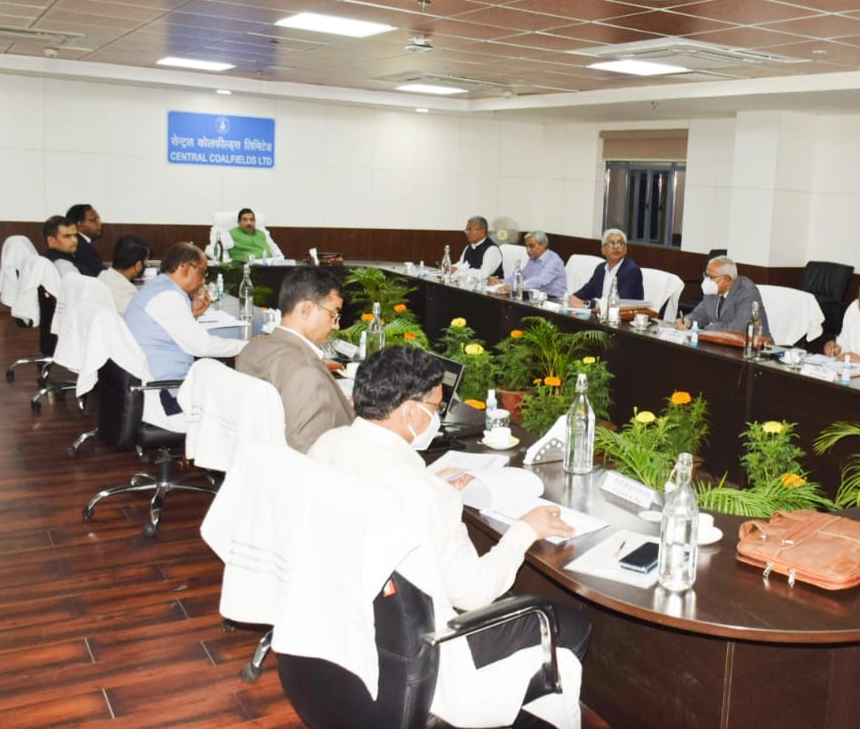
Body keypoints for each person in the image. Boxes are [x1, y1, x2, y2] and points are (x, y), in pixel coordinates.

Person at [307, 346, 589, 726]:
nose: (436, 418)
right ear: (409, 411)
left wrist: (431, 485)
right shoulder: (424, 493)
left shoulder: (328, 444)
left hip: (345, 627)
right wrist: (526, 529)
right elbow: (473, 593)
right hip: (418, 650)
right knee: (568, 623)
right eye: (435, 408)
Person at [124, 242, 247, 423]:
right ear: (185, 268)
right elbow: (202, 346)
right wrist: (250, 345)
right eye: (203, 272)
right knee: (243, 398)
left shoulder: (157, 289)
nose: (204, 280)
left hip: (151, 385)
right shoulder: (168, 298)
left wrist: (192, 316)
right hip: (166, 395)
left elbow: (166, 334)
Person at [237, 266, 354, 453]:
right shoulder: (305, 370)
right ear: (307, 309)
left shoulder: (252, 348)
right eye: (333, 314)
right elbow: (306, 449)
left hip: (254, 461)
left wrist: (333, 404)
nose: (336, 325)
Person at [678, 256, 765, 332]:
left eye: (711, 277)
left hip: (754, 346)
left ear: (727, 279)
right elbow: (699, 315)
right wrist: (687, 321)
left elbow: (739, 328)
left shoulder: (747, 292)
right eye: (706, 275)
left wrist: (711, 328)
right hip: (721, 344)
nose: (707, 281)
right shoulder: (713, 290)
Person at [568, 228, 644, 308]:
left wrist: (587, 304)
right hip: (602, 317)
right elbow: (583, 293)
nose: (616, 247)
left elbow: (619, 304)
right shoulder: (600, 269)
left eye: (620, 243)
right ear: (603, 250)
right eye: (611, 243)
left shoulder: (631, 271)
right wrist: (573, 299)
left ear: (625, 249)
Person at [488, 231, 567, 301]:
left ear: (543, 245)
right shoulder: (533, 258)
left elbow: (541, 280)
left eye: (531, 246)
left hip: (553, 300)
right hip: (533, 296)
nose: (528, 250)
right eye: (527, 246)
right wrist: (502, 281)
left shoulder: (554, 261)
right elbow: (522, 276)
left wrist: (516, 287)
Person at [98, 234, 150, 314]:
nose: (146, 264)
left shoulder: (102, 276)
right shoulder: (128, 294)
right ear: (138, 266)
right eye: (146, 260)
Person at [452, 215, 503, 280]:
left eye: (470, 230)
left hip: (489, 287)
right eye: (467, 230)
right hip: (468, 284)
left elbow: (484, 274)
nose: (467, 233)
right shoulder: (469, 247)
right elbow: (461, 264)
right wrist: (451, 268)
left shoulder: (492, 249)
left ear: (482, 232)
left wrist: (460, 271)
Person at [65, 203, 104, 277]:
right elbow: (100, 275)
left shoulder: (81, 243)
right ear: (79, 224)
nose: (100, 223)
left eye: (98, 219)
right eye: (93, 220)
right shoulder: (82, 246)